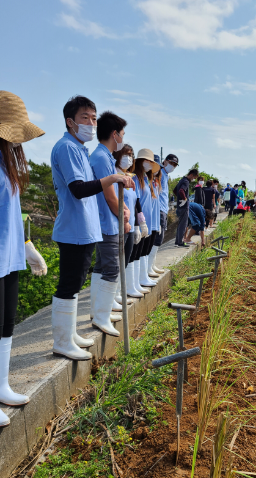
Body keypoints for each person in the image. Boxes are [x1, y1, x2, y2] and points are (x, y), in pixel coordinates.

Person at [51, 96, 134, 359]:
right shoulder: (67, 148)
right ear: (70, 121)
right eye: (85, 117)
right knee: (68, 284)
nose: (90, 123)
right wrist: (111, 178)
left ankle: (69, 334)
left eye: (94, 118)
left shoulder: (80, 149)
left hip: (84, 229)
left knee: (75, 283)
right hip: (73, 229)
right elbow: (78, 190)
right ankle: (62, 341)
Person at [0, 91, 47, 427]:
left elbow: (12, 214)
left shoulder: (6, 164)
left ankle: (1, 384)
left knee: (5, 323)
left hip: (10, 255)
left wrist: (28, 245)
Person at [89, 112, 136, 336]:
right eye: (122, 134)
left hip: (105, 221)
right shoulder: (101, 157)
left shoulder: (104, 156)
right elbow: (109, 196)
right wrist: (123, 217)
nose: (123, 139)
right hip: (106, 222)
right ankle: (101, 317)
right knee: (111, 269)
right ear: (114, 134)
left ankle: (99, 312)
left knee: (101, 267)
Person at [113, 143, 145, 299]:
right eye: (126, 155)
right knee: (117, 261)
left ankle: (120, 289)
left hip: (130, 225)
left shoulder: (130, 179)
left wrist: (139, 223)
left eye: (131, 155)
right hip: (120, 225)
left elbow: (135, 202)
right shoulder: (114, 177)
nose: (129, 158)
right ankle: (114, 293)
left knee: (126, 259)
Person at [133, 149, 160, 285]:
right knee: (136, 253)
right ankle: (136, 282)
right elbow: (136, 201)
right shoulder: (135, 178)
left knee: (143, 251)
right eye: (147, 160)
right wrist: (140, 222)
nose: (150, 164)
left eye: (151, 162)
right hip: (139, 222)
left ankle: (142, 278)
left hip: (148, 222)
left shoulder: (146, 179)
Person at [151, 153, 179, 274]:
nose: (172, 166)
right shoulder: (159, 172)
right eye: (171, 163)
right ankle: (148, 267)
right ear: (165, 161)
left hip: (163, 208)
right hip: (158, 209)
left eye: (175, 165)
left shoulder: (166, 175)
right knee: (157, 238)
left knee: (159, 238)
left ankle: (151, 265)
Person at [174, 168, 199, 247]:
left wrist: (179, 199)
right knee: (183, 224)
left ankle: (177, 241)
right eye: (194, 178)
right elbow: (181, 191)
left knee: (180, 224)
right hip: (184, 206)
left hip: (179, 205)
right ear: (191, 175)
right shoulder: (186, 181)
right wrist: (184, 199)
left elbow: (175, 190)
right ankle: (180, 242)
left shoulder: (182, 180)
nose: (193, 179)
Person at [147, 159, 162, 277]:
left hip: (154, 220)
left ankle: (149, 268)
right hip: (146, 221)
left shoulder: (156, 183)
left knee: (152, 243)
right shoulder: (146, 182)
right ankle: (145, 272)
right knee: (144, 249)